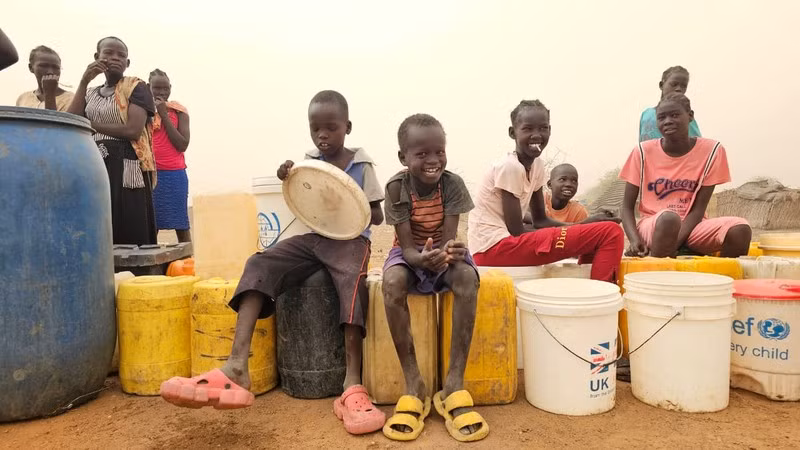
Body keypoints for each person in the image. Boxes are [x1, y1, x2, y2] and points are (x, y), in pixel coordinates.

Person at [160, 90, 387, 436]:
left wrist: (345, 198)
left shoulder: (362, 163)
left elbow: (377, 216)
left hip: (350, 241)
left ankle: (352, 385)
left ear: (347, 127)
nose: (323, 136)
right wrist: (292, 178)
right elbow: (306, 202)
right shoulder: (311, 161)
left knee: (351, 286)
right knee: (260, 263)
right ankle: (237, 366)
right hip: (316, 239)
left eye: (331, 128)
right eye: (316, 129)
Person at [381, 114, 488, 443]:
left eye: (439, 151)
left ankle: (454, 382)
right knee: (392, 283)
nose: (433, 160)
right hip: (411, 254)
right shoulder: (396, 187)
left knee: (467, 278)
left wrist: (449, 252)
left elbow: (448, 239)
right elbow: (409, 249)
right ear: (404, 158)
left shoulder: (452, 184)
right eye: (422, 153)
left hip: (441, 252)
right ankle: (415, 383)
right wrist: (420, 259)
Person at [468, 100, 624, 283]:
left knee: (598, 233)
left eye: (543, 128)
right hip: (492, 248)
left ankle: (585, 292)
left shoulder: (537, 166)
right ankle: (601, 300)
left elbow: (540, 220)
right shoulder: (510, 167)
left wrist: (585, 225)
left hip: (506, 244)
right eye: (527, 129)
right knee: (610, 232)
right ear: (513, 133)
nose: (537, 135)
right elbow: (516, 230)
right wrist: (580, 229)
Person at [620, 92, 751, 258]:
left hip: (693, 225)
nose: (667, 121)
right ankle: (659, 275)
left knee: (740, 229)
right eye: (661, 117)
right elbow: (626, 207)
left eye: (674, 115)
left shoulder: (712, 151)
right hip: (654, 224)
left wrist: (675, 243)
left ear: (690, 116)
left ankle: (719, 279)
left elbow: (698, 209)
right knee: (669, 220)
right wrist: (634, 240)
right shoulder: (642, 152)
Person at [67, 37, 157, 246]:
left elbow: (133, 130)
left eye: (121, 55)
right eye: (108, 53)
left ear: (127, 63)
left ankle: (138, 276)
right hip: (96, 165)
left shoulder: (136, 87)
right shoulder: (90, 93)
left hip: (127, 165)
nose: (115, 58)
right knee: (101, 222)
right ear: (97, 57)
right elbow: (71, 121)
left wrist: (90, 125)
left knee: (130, 223)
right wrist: (83, 81)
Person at [149, 69, 191, 242]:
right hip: (150, 174)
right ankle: (152, 266)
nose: (161, 93)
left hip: (174, 174)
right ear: (148, 87)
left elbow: (182, 144)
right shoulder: (143, 111)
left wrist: (164, 114)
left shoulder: (179, 112)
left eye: (165, 88)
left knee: (181, 223)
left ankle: (188, 262)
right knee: (152, 226)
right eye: (157, 88)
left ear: (171, 88)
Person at [639, 66, 701, 142]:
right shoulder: (646, 114)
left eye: (683, 86)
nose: (679, 89)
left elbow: (697, 144)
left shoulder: (684, 116)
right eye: (674, 84)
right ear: (661, 85)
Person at [16, 46, 74, 112]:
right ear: (31, 68)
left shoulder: (70, 99)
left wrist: (49, 94)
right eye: (44, 66)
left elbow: (53, 121)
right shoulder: (23, 98)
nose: (50, 72)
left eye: (56, 67)